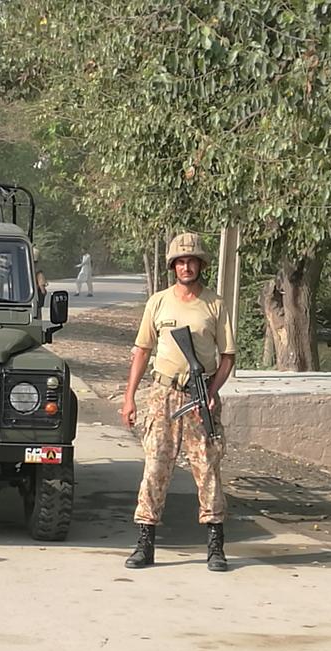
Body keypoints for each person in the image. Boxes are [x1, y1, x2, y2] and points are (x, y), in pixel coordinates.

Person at [119, 232, 236, 572]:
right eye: (181, 261)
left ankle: (215, 546)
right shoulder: (158, 302)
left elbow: (227, 355)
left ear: (201, 265)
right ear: (173, 266)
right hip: (162, 395)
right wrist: (129, 398)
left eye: (192, 261)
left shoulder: (214, 304)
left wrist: (211, 392)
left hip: (200, 396)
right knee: (155, 467)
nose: (187, 266)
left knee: (208, 470)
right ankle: (145, 543)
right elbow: (142, 351)